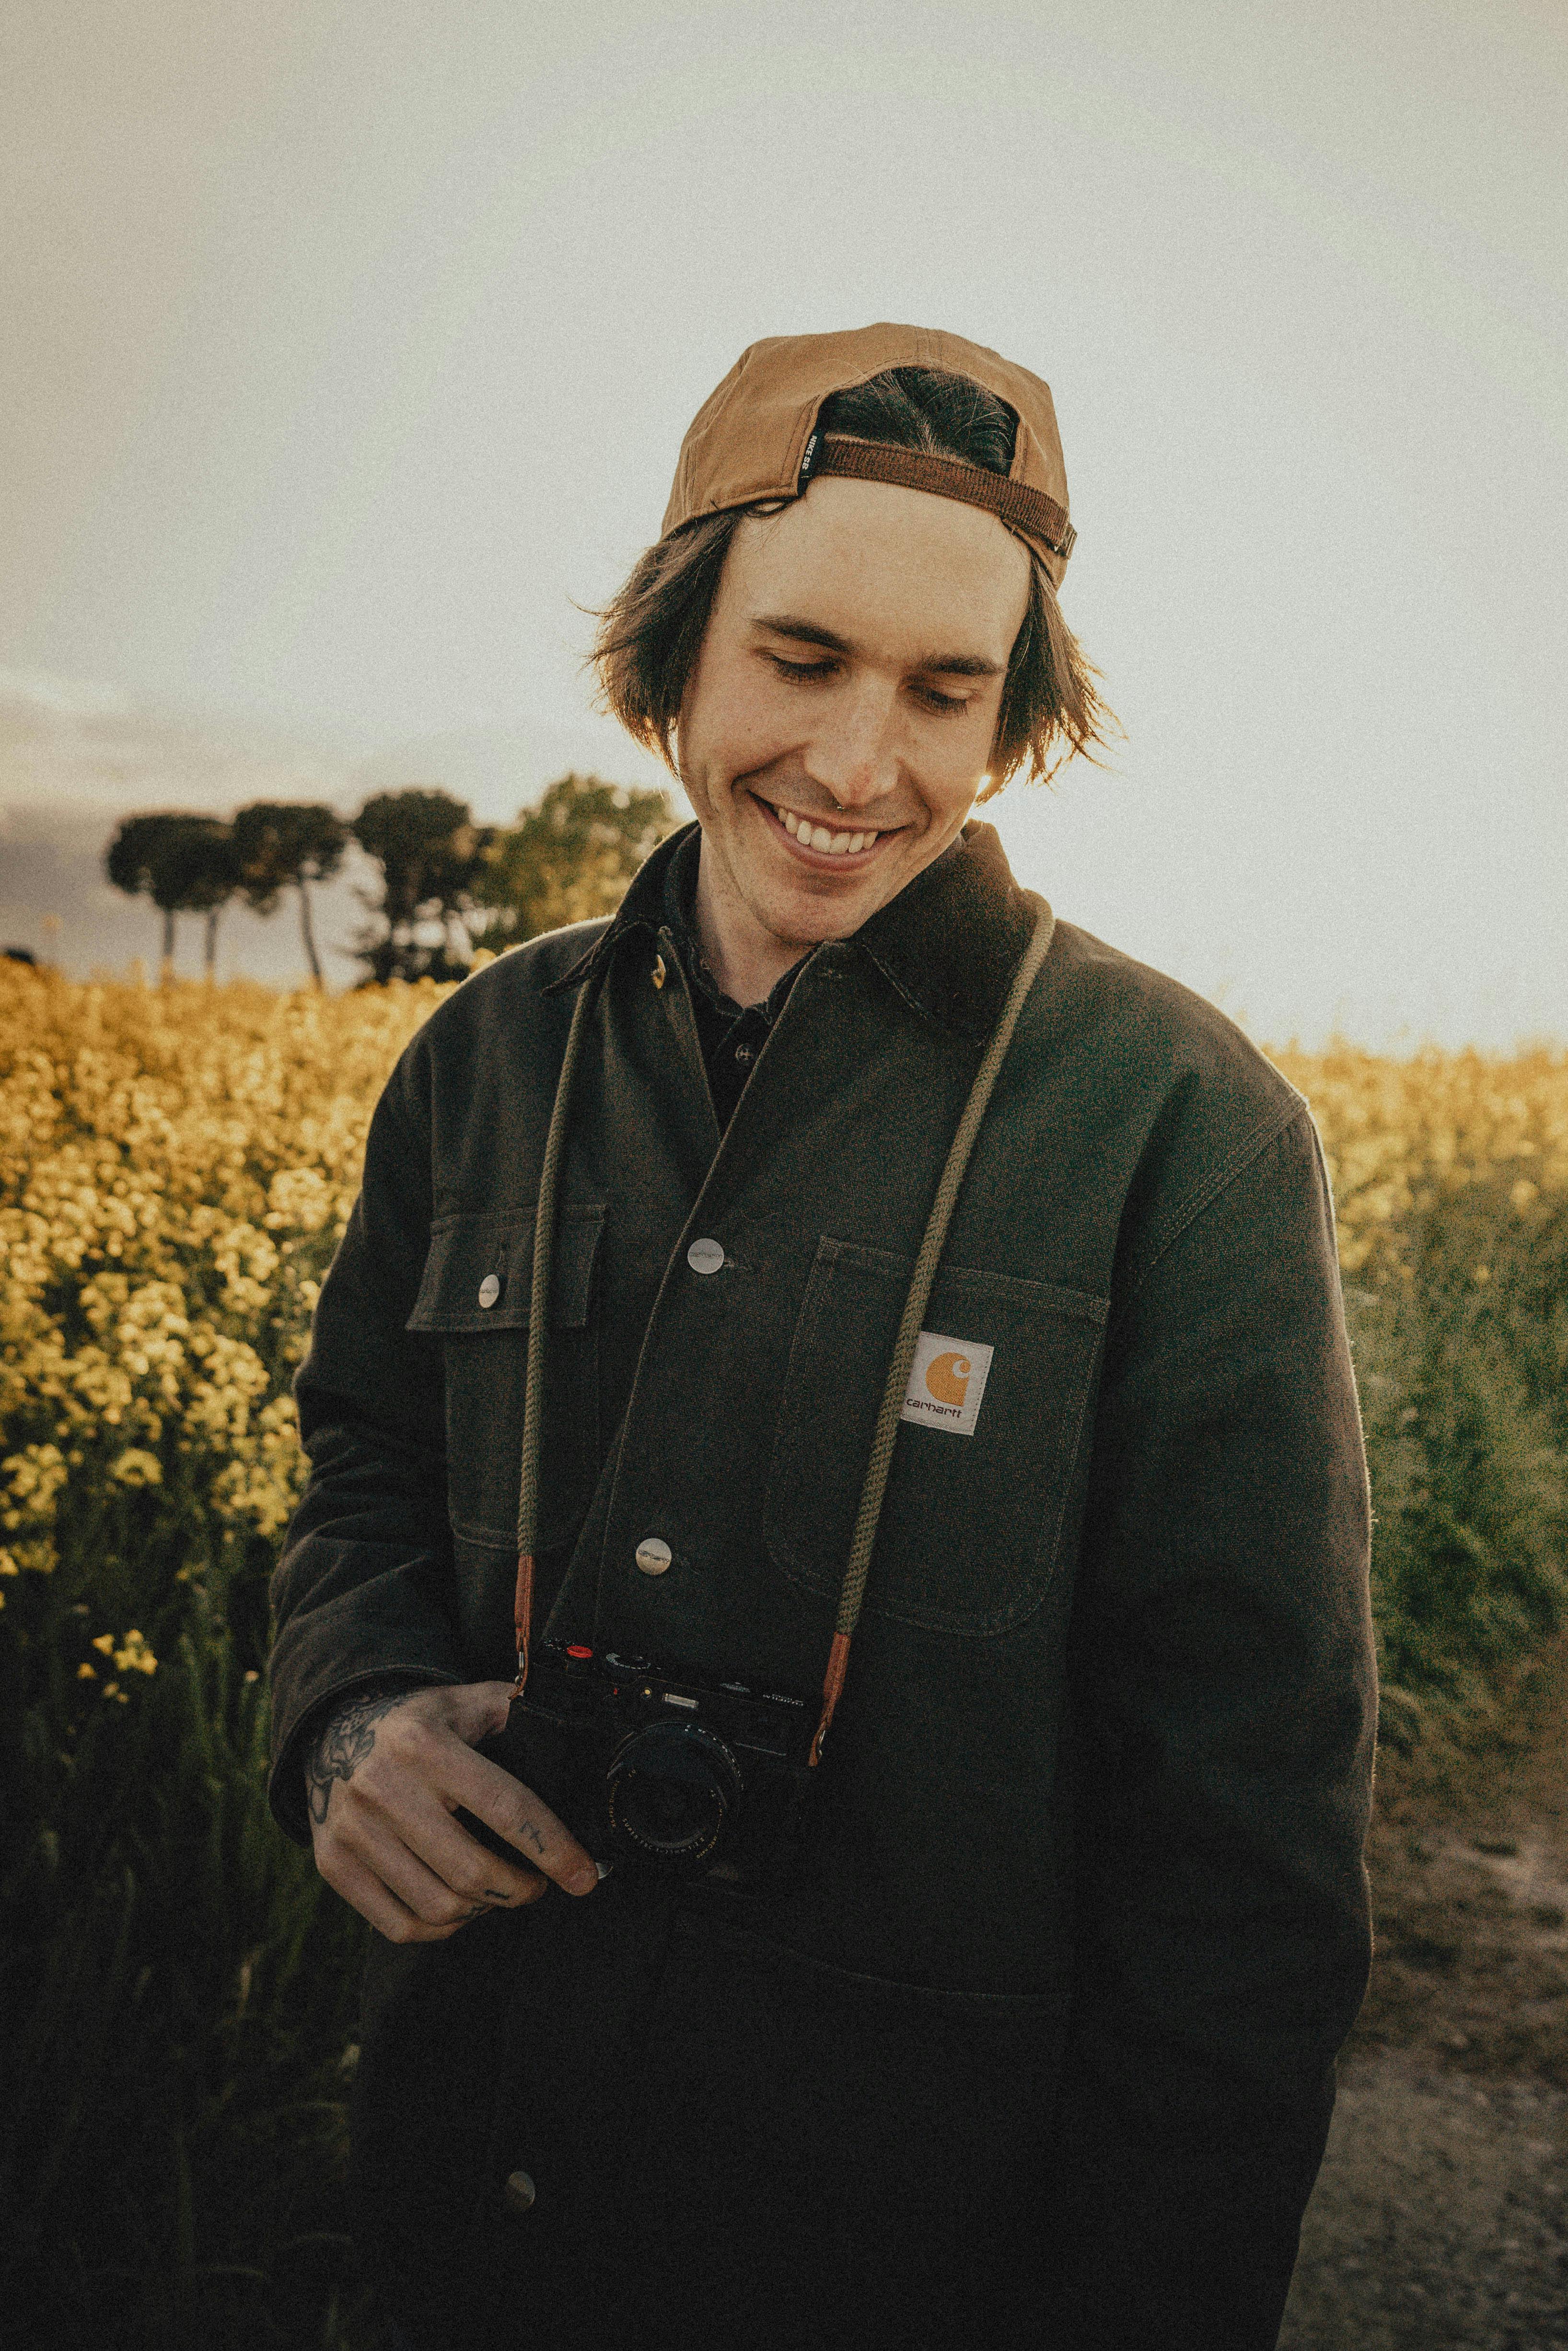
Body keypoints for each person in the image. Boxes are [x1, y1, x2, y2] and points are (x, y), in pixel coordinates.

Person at [267, 323, 1377, 2351]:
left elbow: (1244, 1852)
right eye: (798, 660)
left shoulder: (1183, 1131)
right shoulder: (478, 1061)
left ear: (1014, 719)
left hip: (921, 2259)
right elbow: (359, 1472)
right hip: (466, 2215)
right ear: (672, 654)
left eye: (945, 691)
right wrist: (347, 1717)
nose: (862, 764)